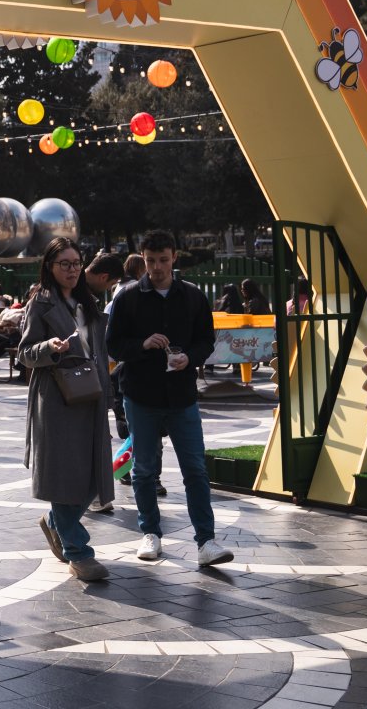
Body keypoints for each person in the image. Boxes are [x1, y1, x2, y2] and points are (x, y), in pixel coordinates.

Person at [107, 229, 233, 567]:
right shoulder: (128, 297)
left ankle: (206, 541)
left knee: (195, 469)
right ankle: (150, 533)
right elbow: (113, 345)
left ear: (174, 257)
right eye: (150, 261)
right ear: (143, 260)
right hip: (141, 395)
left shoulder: (191, 296)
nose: (157, 267)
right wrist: (143, 345)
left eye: (163, 260)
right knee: (145, 469)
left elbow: (207, 340)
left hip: (182, 397)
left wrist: (188, 358)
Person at [20, 236, 113, 581]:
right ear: (50, 267)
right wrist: (50, 347)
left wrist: (109, 393)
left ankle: (57, 523)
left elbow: (99, 350)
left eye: (77, 264)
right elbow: (24, 353)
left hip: (92, 394)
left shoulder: (87, 300)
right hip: (57, 398)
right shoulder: (40, 304)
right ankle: (79, 552)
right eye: (65, 264)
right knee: (63, 476)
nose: (73, 270)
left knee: (92, 475)